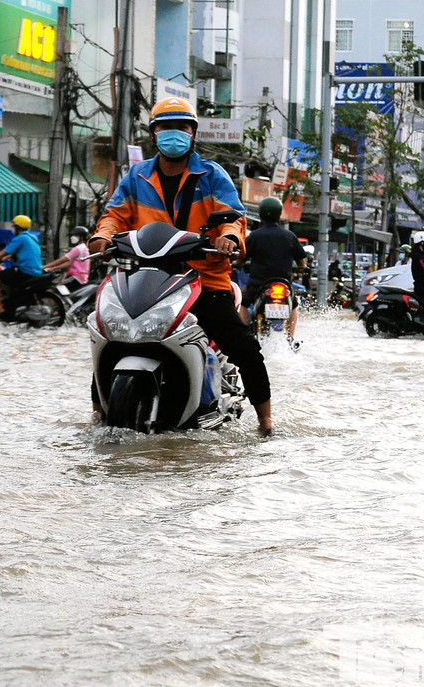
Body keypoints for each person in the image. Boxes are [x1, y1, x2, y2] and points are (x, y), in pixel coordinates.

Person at [88, 95, 275, 436]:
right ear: (154, 133)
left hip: (203, 278)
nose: (173, 133)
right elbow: (114, 214)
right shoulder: (137, 176)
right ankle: (98, 415)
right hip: (147, 276)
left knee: (245, 348)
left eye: (181, 127)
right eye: (165, 128)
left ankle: (266, 422)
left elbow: (233, 217)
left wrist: (229, 238)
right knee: (111, 338)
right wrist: (102, 237)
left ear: (192, 133)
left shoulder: (212, 175)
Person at [239, 196, 307, 348]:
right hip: (284, 285)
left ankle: (244, 336)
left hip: (258, 285)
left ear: (261, 215)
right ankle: (291, 337)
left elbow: (241, 258)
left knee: (243, 303)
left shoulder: (254, 236)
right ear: (279, 215)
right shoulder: (289, 236)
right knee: (294, 305)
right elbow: (302, 262)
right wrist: (301, 269)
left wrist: (237, 264)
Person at [0, 215, 46, 317]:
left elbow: (3, 252)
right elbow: (15, 254)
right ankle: (11, 304)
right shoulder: (32, 238)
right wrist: (4, 259)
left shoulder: (20, 238)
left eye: (14, 227)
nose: (13, 229)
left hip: (24, 271)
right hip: (36, 271)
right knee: (6, 279)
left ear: (18, 227)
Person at [43, 225, 91, 290]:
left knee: (54, 289)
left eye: (75, 235)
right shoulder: (84, 248)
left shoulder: (77, 249)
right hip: (81, 277)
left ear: (82, 237)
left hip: (76, 277)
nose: (72, 237)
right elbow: (69, 263)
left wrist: (45, 266)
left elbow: (62, 260)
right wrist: (54, 268)